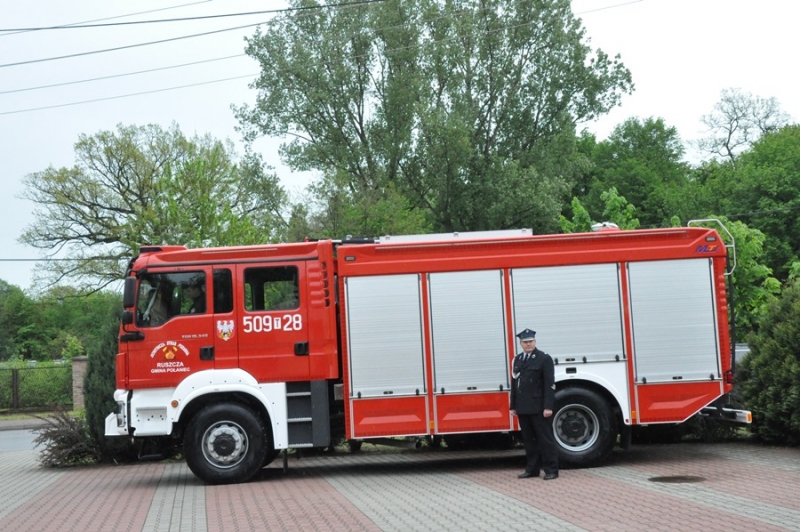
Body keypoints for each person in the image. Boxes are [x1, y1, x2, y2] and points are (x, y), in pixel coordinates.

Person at [510, 328, 559, 480]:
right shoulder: (518, 359)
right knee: (529, 441)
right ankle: (532, 469)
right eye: (525, 342)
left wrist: (548, 407)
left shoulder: (544, 358)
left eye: (531, 341)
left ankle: (551, 470)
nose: (528, 344)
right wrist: (513, 406)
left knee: (545, 440)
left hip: (539, 407)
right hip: (523, 407)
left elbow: (549, 384)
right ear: (520, 344)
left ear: (535, 342)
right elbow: (515, 384)